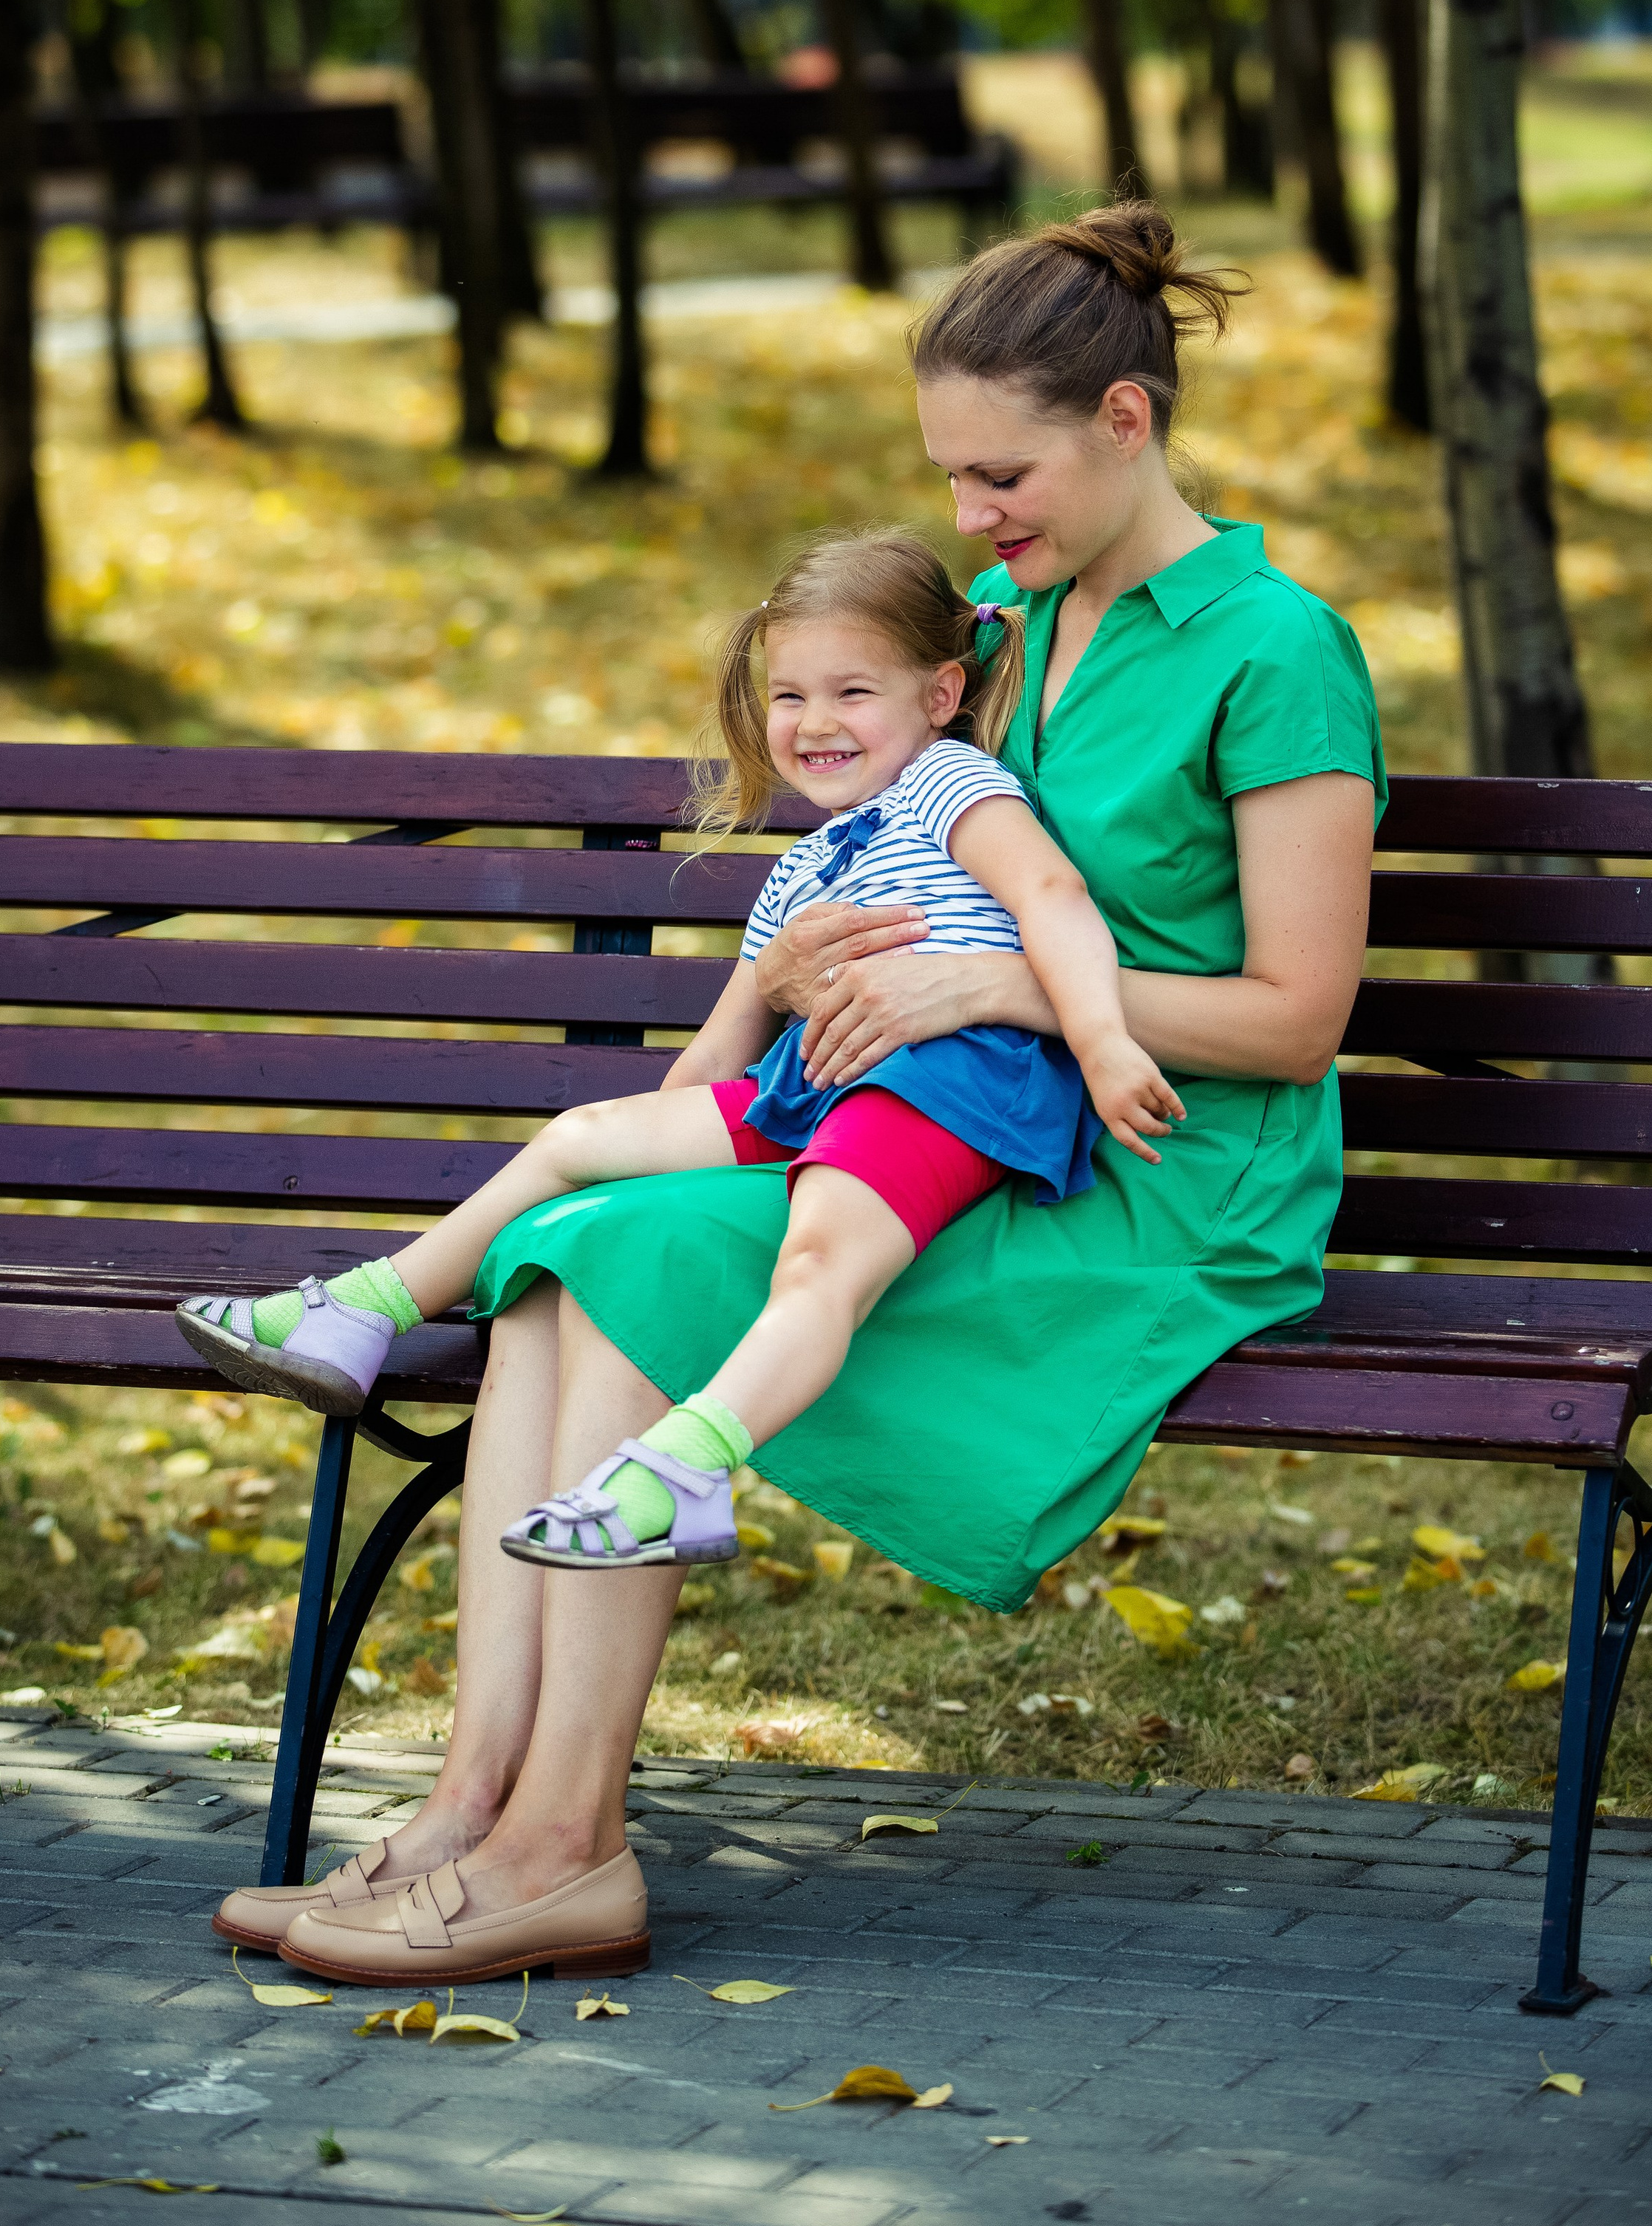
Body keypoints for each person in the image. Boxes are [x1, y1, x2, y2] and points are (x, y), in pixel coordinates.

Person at [211, 199, 1385, 1993]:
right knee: (579, 1236)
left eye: (1001, 474)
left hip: (1155, 1172)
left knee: (629, 1255)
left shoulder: (1271, 649)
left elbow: (1296, 1022)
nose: (971, 515)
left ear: (1126, 425)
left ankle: (558, 1847)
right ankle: (473, 1810)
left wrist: (991, 984)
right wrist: (808, 969)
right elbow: (888, 840)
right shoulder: (999, 622)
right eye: (949, 473)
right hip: (936, 1123)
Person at [180, 530, 1181, 1588]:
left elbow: (1052, 898)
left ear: (940, 694)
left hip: (952, 1077)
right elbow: (711, 1071)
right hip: (823, 1088)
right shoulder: (800, 873)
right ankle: (363, 1313)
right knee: (583, 1138)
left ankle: (686, 1465)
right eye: (789, 696)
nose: (817, 723)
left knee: (818, 1265)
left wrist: (1102, 1040)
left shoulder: (948, 782)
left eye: (852, 691)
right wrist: (685, 1107)